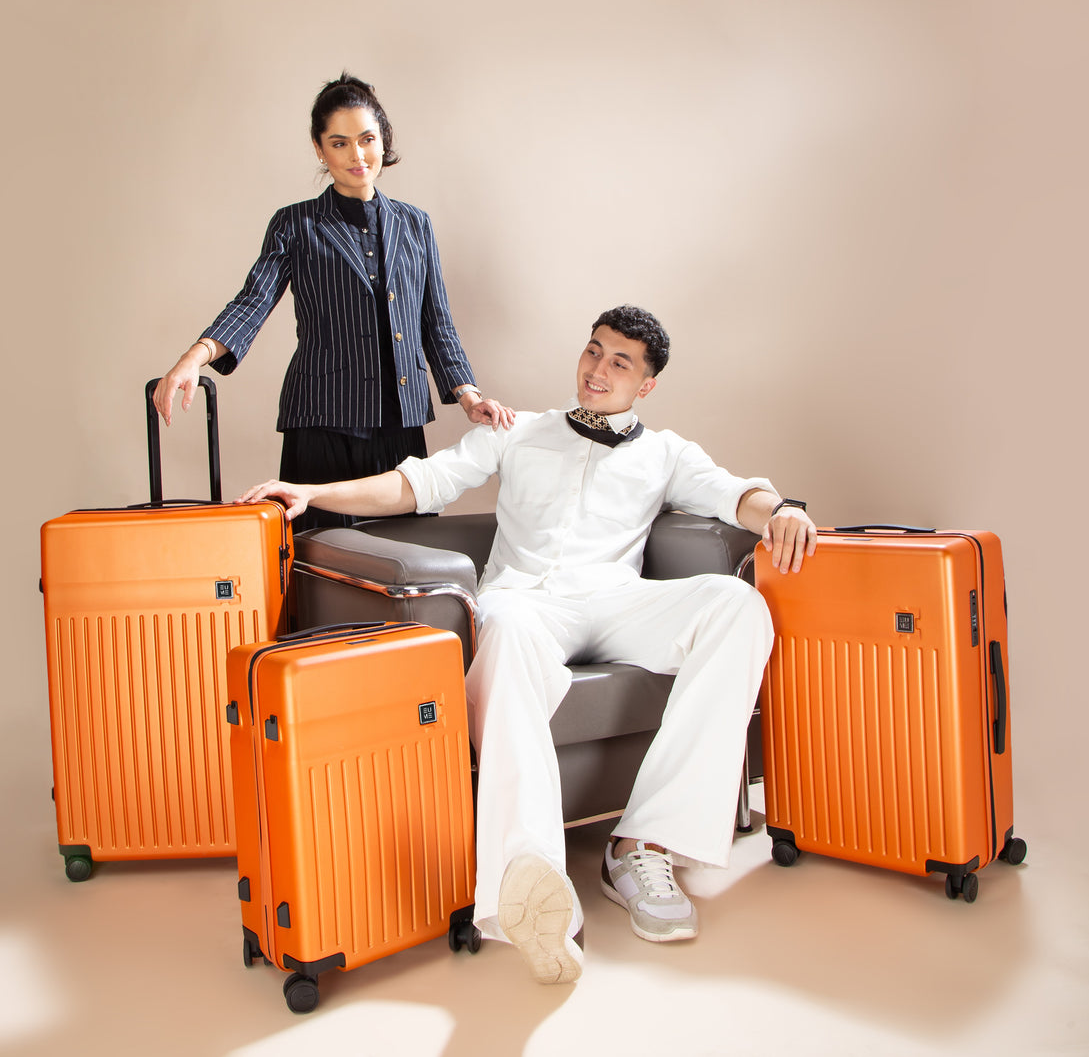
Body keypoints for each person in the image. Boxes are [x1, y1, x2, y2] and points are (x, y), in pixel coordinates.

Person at [237, 305, 817, 984]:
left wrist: (780, 509)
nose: (598, 369)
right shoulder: (516, 431)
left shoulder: (667, 453)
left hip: (615, 599)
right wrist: (310, 491)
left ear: (647, 385)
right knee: (505, 630)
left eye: (619, 362)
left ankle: (642, 844)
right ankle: (533, 883)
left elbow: (734, 495)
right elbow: (416, 483)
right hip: (525, 600)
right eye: (594, 351)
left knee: (737, 605)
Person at [153, 73, 513, 531]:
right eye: (339, 143)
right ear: (320, 150)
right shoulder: (295, 224)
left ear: (384, 141)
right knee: (321, 563)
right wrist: (194, 358)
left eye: (366, 139)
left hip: (398, 423)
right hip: (322, 419)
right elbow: (253, 302)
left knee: (404, 562)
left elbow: (435, 323)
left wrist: (469, 396)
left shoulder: (415, 224)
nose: (357, 155)